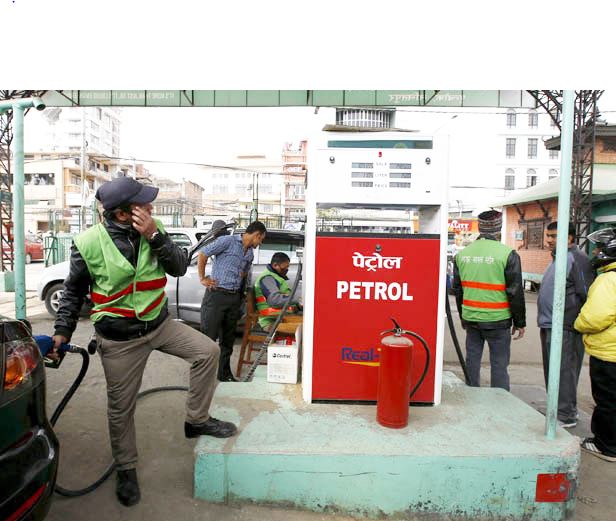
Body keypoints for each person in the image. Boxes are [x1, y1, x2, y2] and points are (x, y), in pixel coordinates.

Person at [51, 177, 237, 507]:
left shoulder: (155, 228)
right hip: (120, 339)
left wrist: (154, 235)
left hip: (159, 324)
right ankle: (126, 467)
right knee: (120, 408)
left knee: (207, 352)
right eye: (143, 204)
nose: (151, 207)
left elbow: (178, 267)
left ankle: (196, 421)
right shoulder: (88, 243)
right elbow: (73, 293)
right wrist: (62, 332)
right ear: (124, 214)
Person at [452, 210, 526, 391]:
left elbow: (458, 290)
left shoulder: (462, 255)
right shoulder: (508, 254)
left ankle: (471, 395)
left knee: (472, 361)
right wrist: (519, 322)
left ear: (480, 228)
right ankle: (500, 400)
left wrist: (463, 316)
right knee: (499, 364)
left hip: (471, 319)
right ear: (498, 229)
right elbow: (515, 292)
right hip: (498, 320)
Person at [537, 222, 595, 428]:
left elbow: (587, 293)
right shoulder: (558, 258)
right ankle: (557, 408)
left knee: (564, 371)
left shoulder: (577, 259)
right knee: (553, 370)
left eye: (554, 236)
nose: (549, 240)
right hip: (550, 324)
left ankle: (566, 414)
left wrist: (575, 321)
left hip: (565, 326)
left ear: (569, 237)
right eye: (548, 235)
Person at [198, 220, 266, 381]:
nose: (260, 243)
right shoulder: (227, 241)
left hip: (233, 298)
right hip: (216, 296)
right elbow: (203, 253)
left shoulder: (249, 254)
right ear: (257, 235)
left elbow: (244, 272)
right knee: (208, 339)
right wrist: (203, 278)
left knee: (227, 340)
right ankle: (202, 378)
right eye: (261, 239)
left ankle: (224, 374)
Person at [574, 227, 616, 462]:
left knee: (607, 401)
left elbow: (594, 318)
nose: (595, 252)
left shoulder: (608, 280)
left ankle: (607, 447)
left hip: (609, 354)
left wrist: (578, 323)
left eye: (599, 247)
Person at [254, 252, 301, 332]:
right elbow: (274, 300)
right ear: (275, 265)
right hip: (271, 321)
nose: (286, 270)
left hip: (279, 317)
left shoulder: (276, 277)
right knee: (307, 327)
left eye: (287, 268)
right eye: (284, 268)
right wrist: (298, 299)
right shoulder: (267, 278)